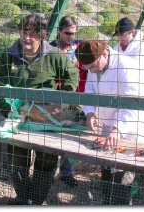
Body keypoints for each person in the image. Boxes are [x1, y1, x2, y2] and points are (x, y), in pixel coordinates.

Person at [0, 13, 79, 205]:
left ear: (42, 35)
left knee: (47, 159)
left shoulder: (54, 54)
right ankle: (23, 197)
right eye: (24, 32)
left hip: (46, 118)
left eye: (33, 34)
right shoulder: (9, 55)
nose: (27, 37)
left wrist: (61, 101)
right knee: (17, 159)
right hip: (18, 116)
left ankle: (37, 199)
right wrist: (8, 111)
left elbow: (72, 74)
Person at [75, 40, 144, 205]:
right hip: (108, 126)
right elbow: (90, 91)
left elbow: (133, 103)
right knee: (107, 168)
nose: (92, 71)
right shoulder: (93, 65)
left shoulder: (126, 67)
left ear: (104, 54)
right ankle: (107, 203)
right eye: (88, 68)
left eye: (94, 66)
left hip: (130, 129)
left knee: (124, 176)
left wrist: (118, 129)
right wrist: (89, 113)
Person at [50, 16, 88, 187]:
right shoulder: (50, 48)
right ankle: (47, 171)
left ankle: (66, 172)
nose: (71, 36)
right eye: (67, 33)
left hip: (77, 96)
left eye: (74, 33)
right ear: (59, 31)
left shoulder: (79, 47)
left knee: (74, 134)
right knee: (51, 134)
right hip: (56, 97)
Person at [112, 17, 144, 96]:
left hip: (136, 93)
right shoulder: (116, 48)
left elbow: (139, 73)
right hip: (117, 93)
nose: (120, 38)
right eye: (118, 35)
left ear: (132, 32)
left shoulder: (143, 47)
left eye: (123, 35)